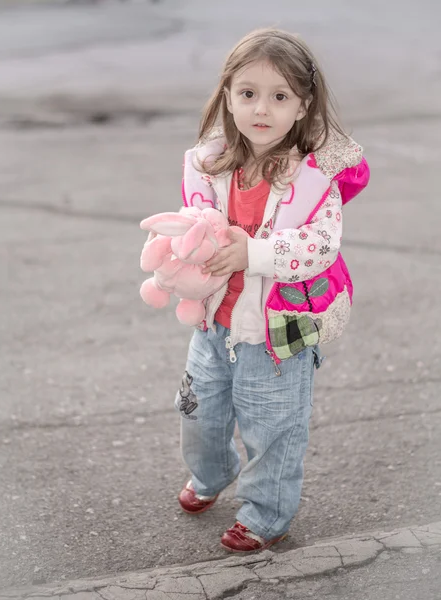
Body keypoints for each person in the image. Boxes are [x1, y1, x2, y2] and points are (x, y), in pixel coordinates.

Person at [165, 27, 370, 553]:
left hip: (278, 335)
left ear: (303, 106)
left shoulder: (311, 179)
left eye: (280, 97)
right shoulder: (210, 165)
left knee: (274, 429)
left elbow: (321, 246)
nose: (261, 108)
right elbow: (194, 224)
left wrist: (253, 254)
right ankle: (212, 474)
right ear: (228, 96)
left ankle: (266, 513)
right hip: (213, 325)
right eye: (248, 93)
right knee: (199, 413)